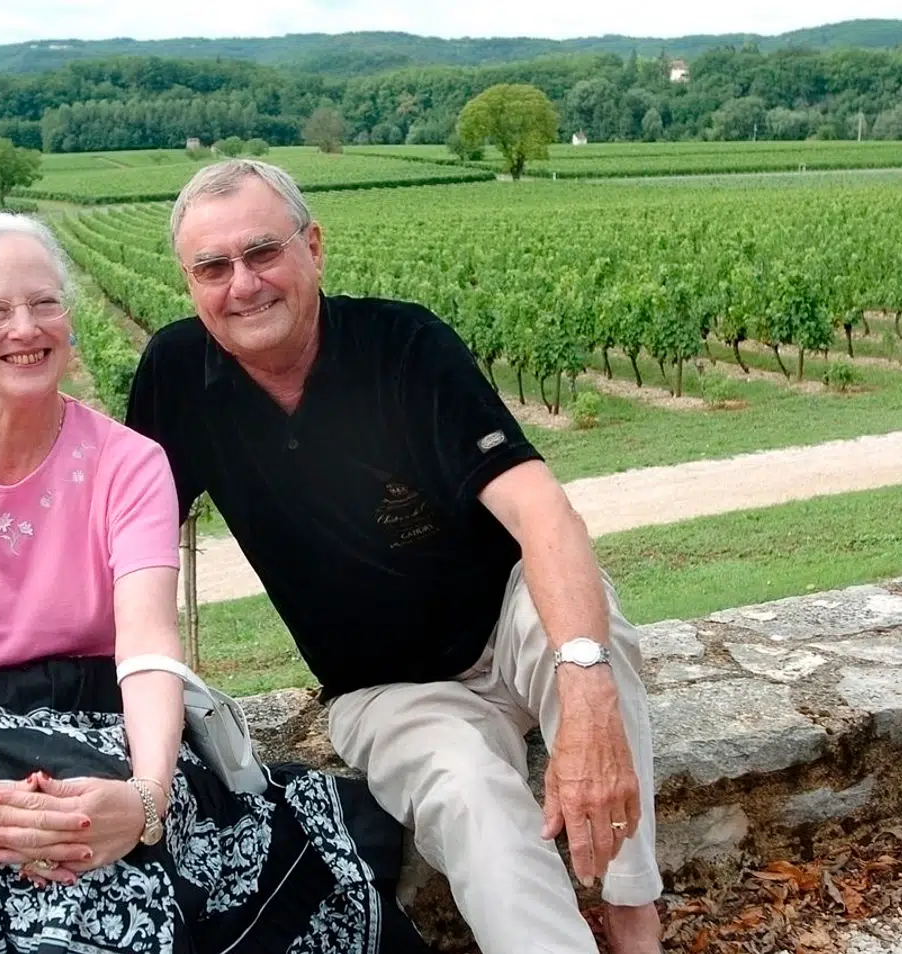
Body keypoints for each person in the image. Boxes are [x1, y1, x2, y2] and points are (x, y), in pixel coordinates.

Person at [0, 212, 436, 954]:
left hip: (113, 721)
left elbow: (147, 646)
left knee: (94, 848)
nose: (25, 327)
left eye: (44, 302)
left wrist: (146, 799)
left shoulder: (129, 463)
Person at [124, 160, 665, 954]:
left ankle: (632, 912)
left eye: (263, 252)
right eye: (213, 267)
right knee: (474, 799)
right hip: (385, 690)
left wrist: (582, 693)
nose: (243, 285)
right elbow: (134, 552)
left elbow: (542, 511)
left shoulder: (402, 342)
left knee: (596, 648)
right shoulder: (178, 374)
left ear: (313, 246)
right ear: (189, 282)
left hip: (503, 618)